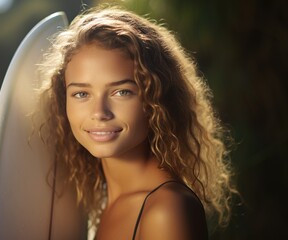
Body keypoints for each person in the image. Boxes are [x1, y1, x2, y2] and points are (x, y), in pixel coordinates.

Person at [36, 5, 236, 240]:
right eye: (81, 94)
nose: (99, 113)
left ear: (155, 98)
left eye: (121, 92)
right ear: (64, 100)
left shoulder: (167, 209)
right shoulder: (104, 203)